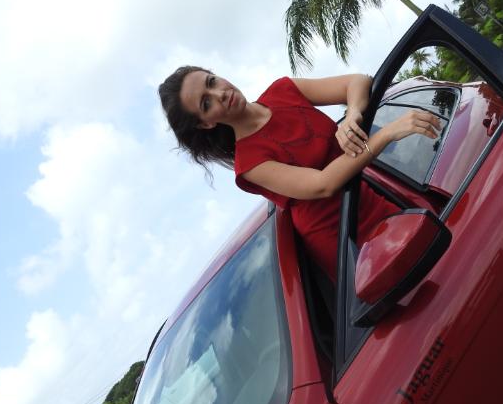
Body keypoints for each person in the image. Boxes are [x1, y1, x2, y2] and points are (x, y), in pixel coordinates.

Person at [158, 67, 440, 280]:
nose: (219, 94)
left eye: (211, 82)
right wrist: (386, 134)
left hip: (369, 197)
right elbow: (323, 184)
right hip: (343, 236)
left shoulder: (283, 90)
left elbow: (357, 82)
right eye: (206, 103)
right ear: (206, 124)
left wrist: (353, 113)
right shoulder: (249, 164)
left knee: (437, 257)